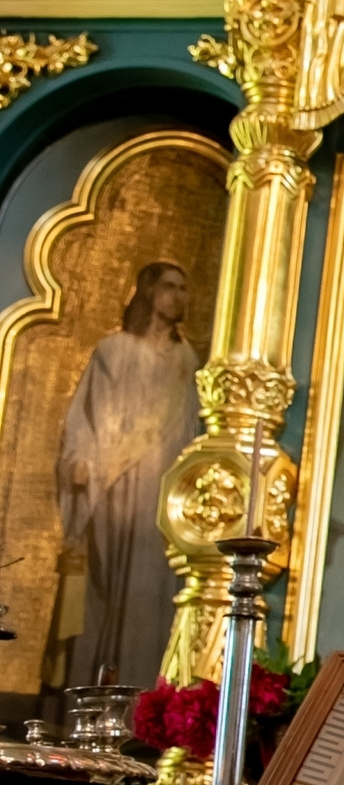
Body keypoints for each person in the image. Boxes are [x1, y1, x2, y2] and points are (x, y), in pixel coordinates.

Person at [55, 259, 198, 692]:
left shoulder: (187, 360)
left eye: (184, 288)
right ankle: (87, 696)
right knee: (103, 589)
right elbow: (84, 417)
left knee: (151, 591)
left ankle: (142, 701)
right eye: (170, 286)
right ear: (149, 292)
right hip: (113, 487)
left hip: (161, 496)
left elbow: (192, 429)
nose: (179, 296)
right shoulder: (113, 351)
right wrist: (80, 459)